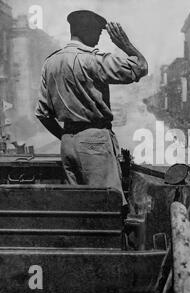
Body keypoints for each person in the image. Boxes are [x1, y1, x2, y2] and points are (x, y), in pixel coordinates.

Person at [35, 10, 148, 203]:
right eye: (97, 32)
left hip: (68, 144)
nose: (99, 37)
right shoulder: (93, 60)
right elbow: (140, 68)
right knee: (108, 205)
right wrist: (125, 45)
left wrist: (65, 136)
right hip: (94, 141)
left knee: (80, 206)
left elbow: (42, 114)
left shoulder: (50, 63)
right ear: (86, 30)